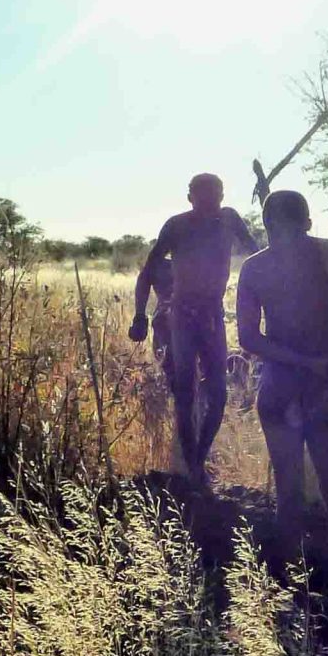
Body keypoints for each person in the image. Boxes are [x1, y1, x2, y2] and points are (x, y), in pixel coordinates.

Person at [236, 190, 328, 557]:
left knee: (289, 488)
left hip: (278, 386)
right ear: (308, 221)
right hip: (322, 388)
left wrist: (299, 363)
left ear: (265, 225)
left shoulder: (255, 267)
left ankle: (289, 585)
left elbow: (248, 337)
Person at [129, 173, 259, 486]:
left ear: (223, 197)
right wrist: (139, 316)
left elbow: (258, 256)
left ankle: (198, 458)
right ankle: (193, 466)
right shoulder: (177, 225)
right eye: (202, 197)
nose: (209, 203)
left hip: (213, 314)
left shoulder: (229, 220)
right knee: (185, 393)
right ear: (190, 198)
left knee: (218, 393)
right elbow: (147, 274)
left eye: (215, 196)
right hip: (182, 315)